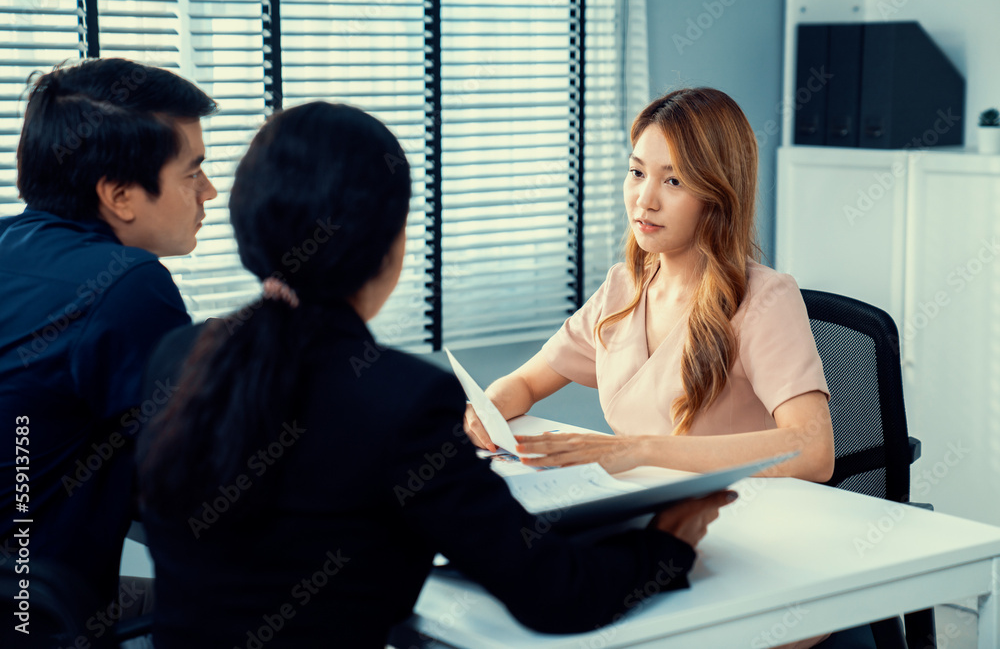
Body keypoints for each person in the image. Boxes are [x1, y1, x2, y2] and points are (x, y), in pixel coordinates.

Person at [136, 101, 736, 648]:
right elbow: (556, 594)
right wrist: (667, 544)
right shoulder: (402, 401)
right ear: (391, 245)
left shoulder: (175, 356)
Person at [462, 88, 846, 649]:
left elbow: (814, 452)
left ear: (717, 193)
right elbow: (526, 380)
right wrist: (488, 406)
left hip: (755, 542)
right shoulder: (625, 287)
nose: (645, 199)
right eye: (637, 172)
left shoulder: (764, 298)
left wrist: (637, 450)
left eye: (673, 180)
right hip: (653, 527)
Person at [0, 58, 217, 641]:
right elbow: (213, 464)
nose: (210, 192)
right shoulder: (125, 284)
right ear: (120, 195)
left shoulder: (10, 243)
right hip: (35, 615)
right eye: (192, 172)